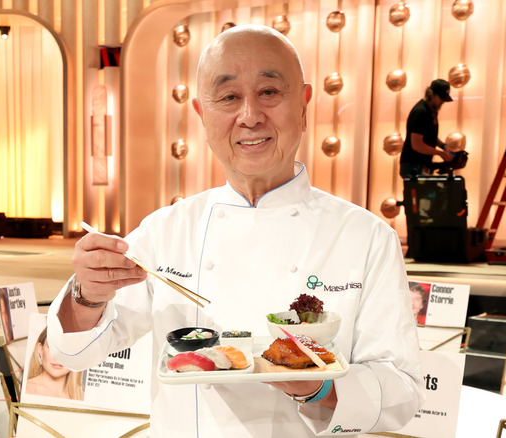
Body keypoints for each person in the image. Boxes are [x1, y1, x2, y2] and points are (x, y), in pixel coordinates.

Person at [46, 25, 424, 436]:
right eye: (228, 97)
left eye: (269, 92)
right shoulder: (163, 231)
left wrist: (318, 388)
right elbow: (76, 352)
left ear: (303, 104)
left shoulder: (365, 237)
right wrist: (88, 296)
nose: (249, 116)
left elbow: (400, 390)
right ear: (201, 114)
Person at [399, 79, 455, 179]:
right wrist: (440, 153)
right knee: (420, 194)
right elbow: (417, 144)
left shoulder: (432, 111)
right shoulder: (421, 112)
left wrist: (444, 146)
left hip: (423, 164)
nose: (442, 102)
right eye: (441, 98)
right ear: (432, 95)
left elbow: (429, 135)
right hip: (413, 165)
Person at [25, 327, 85, 400]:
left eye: (68, 349)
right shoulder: (27, 389)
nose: (58, 357)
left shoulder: (81, 396)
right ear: (40, 349)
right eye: (52, 347)